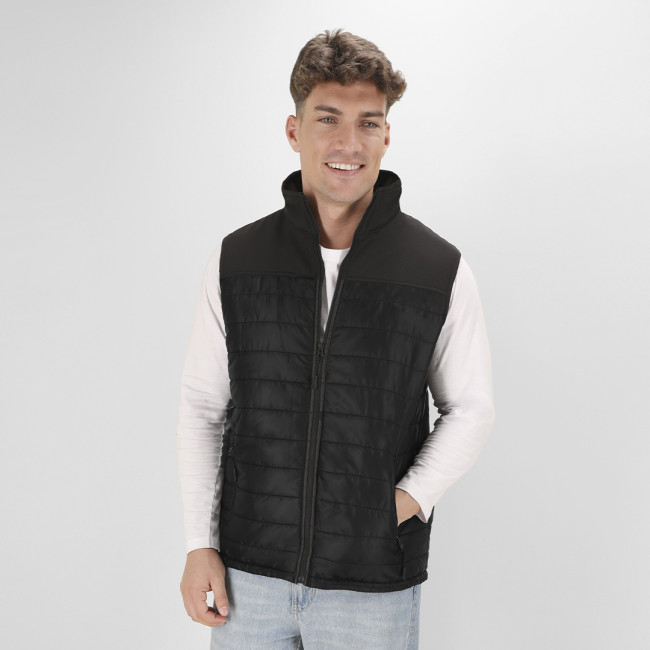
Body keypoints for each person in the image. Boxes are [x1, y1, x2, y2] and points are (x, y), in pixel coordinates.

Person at [176, 28, 495, 649]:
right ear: (294, 130)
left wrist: (403, 501)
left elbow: (471, 409)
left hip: (370, 583)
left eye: (368, 123)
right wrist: (198, 544)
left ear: (386, 135)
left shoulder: (437, 268)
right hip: (247, 576)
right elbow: (203, 407)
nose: (349, 143)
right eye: (328, 119)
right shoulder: (237, 260)